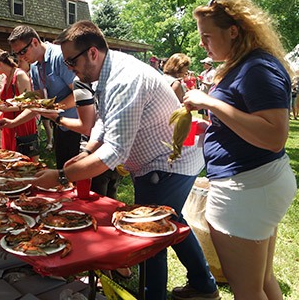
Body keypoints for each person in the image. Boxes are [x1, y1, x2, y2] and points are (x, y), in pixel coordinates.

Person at [33, 20, 219, 300]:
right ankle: (204, 285)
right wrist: (86, 151)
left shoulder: (124, 78)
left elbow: (114, 153)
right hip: (156, 162)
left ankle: (154, 294)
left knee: (146, 235)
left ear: (93, 53)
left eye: (71, 61)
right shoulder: (106, 72)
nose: (68, 68)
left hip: (167, 164)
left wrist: (60, 176)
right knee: (172, 221)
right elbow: (104, 120)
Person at [183, 0, 297, 299]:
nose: (202, 44)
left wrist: (208, 102)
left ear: (233, 31)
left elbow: (274, 135)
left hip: (246, 189)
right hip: (254, 184)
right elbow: (247, 120)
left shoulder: (256, 67)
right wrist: (215, 126)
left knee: (246, 291)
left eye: (207, 36)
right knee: (262, 281)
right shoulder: (247, 65)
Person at [2, 25, 80, 170]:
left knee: (79, 177)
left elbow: (79, 94)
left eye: (22, 51)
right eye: (16, 54)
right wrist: (13, 122)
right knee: (63, 171)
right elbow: (38, 104)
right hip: (61, 125)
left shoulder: (59, 57)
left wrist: (53, 109)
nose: (20, 58)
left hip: (80, 127)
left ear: (35, 42)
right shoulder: (34, 66)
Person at [0, 48, 39, 158]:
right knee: (9, 159)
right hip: (8, 124)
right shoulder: (5, 78)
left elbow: (30, 104)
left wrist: (4, 109)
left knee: (24, 159)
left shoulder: (20, 75)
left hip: (22, 123)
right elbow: (5, 106)